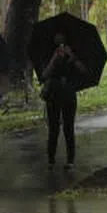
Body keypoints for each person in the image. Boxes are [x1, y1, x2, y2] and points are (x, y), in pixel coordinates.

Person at [39, 33, 87, 169]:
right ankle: (51, 159)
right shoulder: (48, 52)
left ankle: (70, 160)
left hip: (69, 93)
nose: (59, 40)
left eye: (62, 37)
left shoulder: (73, 51)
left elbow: (83, 70)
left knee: (68, 127)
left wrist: (72, 56)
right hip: (53, 93)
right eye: (57, 37)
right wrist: (54, 59)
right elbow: (44, 75)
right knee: (53, 128)